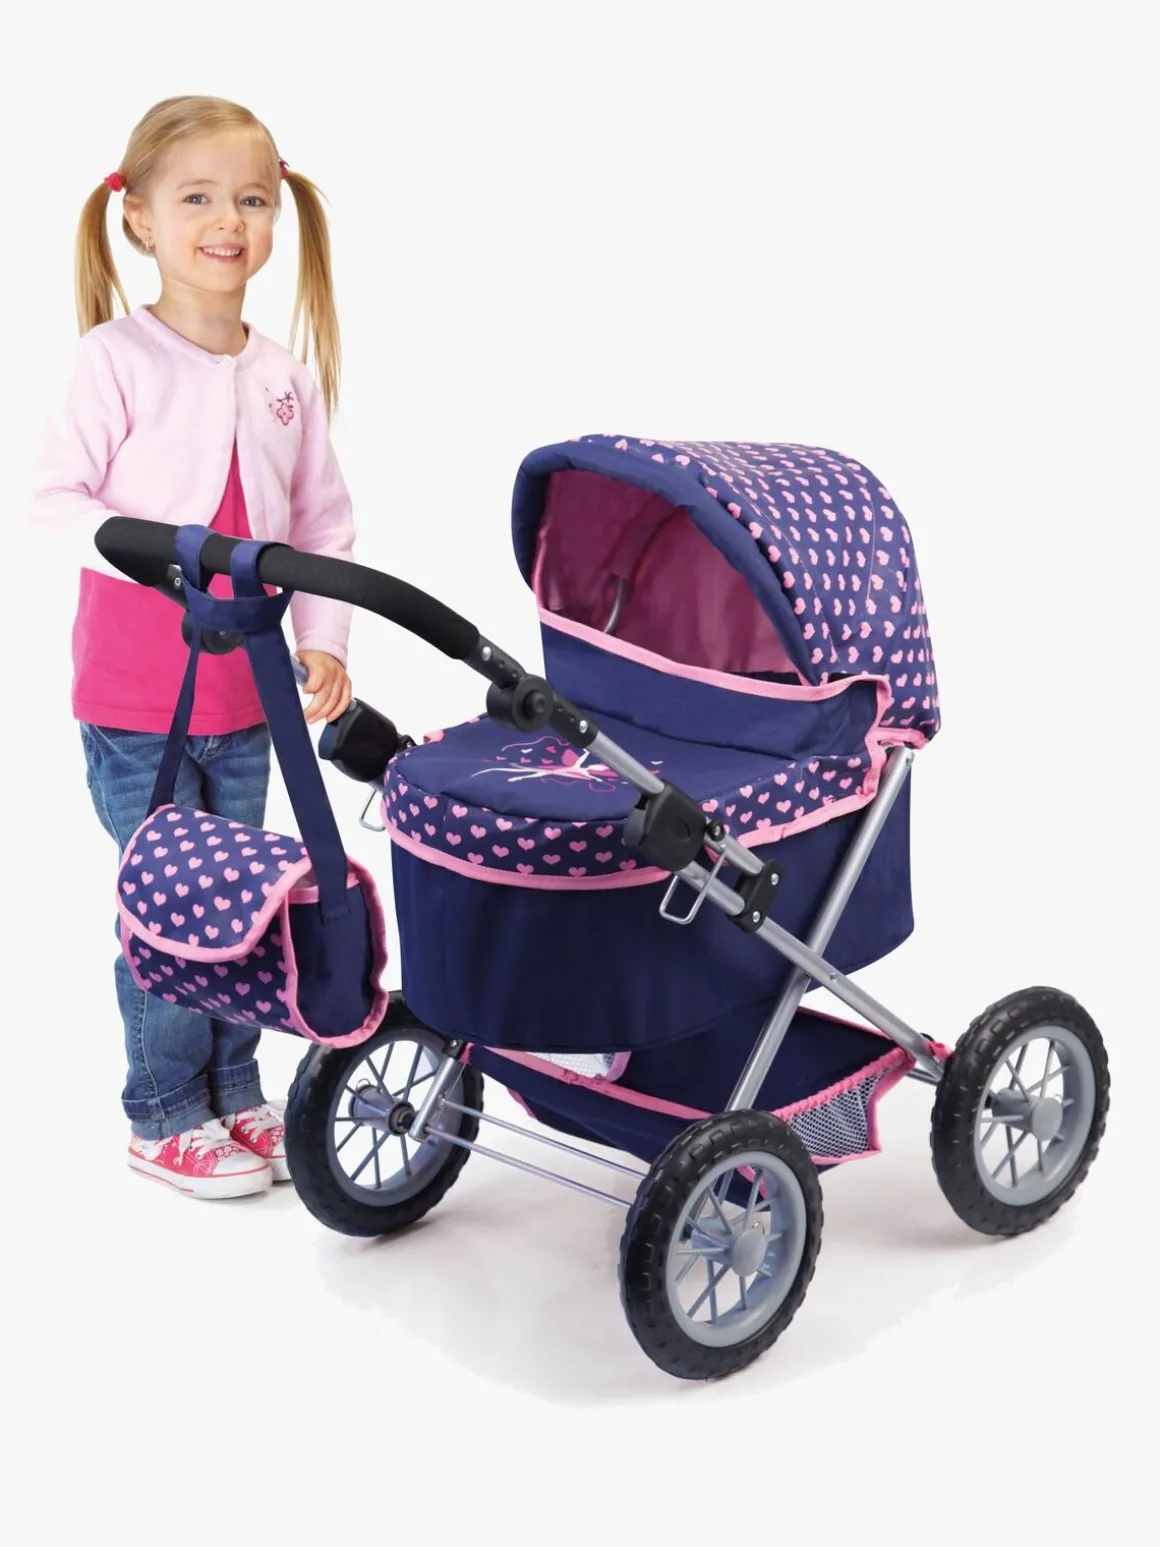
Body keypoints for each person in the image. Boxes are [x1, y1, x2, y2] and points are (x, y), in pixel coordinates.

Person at [30, 95, 359, 1199]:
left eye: (252, 200)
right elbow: (50, 501)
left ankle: (234, 1086)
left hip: (248, 696)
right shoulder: (114, 359)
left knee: (244, 900)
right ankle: (164, 1109)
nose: (228, 221)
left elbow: (320, 524)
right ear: (139, 218)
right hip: (138, 699)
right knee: (171, 905)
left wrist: (322, 639)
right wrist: (150, 553)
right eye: (199, 198)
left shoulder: (282, 376)